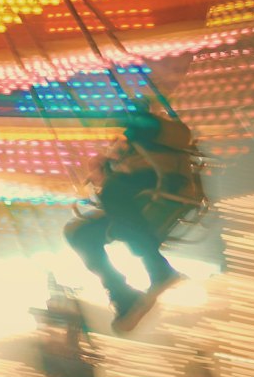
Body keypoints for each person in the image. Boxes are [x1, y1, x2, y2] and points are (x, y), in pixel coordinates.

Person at [64, 104, 201, 331]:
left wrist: (133, 123)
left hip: (162, 184)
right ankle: (123, 296)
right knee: (78, 232)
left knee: (114, 190)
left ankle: (157, 268)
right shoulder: (126, 146)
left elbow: (160, 131)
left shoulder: (165, 130)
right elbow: (116, 176)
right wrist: (102, 169)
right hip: (133, 199)